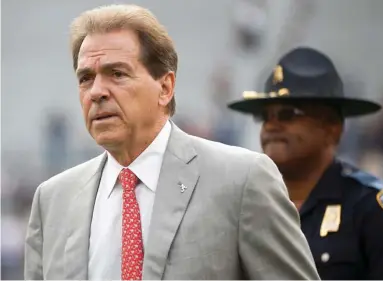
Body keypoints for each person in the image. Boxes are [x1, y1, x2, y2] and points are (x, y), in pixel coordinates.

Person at [24, 5, 320, 280]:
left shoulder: (243, 181)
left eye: (117, 74)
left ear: (165, 88)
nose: (97, 92)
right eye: (86, 78)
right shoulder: (52, 200)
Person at [228, 46, 383, 279]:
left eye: (288, 114)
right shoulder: (244, 208)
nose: (271, 126)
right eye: (266, 117)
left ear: (332, 128)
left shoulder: (371, 209)